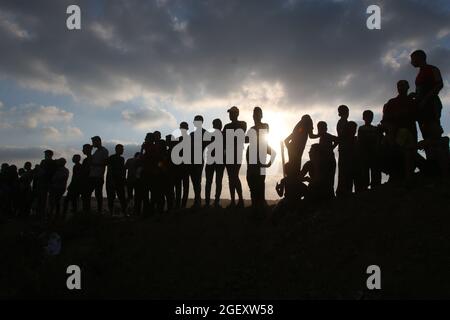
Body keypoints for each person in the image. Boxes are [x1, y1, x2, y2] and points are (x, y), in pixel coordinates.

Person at [382, 80, 418, 181]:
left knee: (409, 154)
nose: (401, 87)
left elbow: (417, 115)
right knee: (397, 153)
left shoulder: (412, 101)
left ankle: (407, 177)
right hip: (396, 133)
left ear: (408, 87)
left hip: (410, 131)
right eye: (399, 85)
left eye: (403, 85)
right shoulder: (392, 102)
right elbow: (385, 120)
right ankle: (397, 176)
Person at [410, 49, 444, 142]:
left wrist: (425, 99)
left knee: (434, 130)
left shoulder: (432, 69)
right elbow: (420, 90)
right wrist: (415, 95)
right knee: (426, 133)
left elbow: (439, 84)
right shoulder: (419, 74)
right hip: (422, 107)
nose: (411, 62)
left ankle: (440, 153)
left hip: (431, 104)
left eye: (413, 59)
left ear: (420, 57)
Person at [246, 107, 275, 209]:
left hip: (259, 161)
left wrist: (269, 163)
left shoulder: (264, 126)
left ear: (261, 115)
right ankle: (256, 206)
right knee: (252, 184)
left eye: (258, 114)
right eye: (254, 114)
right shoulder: (251, 129)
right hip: (252, 161)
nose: (255, 116)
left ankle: (260, 206)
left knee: (259, 185)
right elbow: (246, 140)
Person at [223, 106, 247, 208]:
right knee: (231, 177)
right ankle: (234, 201)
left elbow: (239, 136)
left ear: (236, 114)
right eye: (229, 113)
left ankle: (240, 200)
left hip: (236, 153)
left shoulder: (242, 124)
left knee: (234, 176)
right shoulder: (227, 126)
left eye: (232, 113)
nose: (230, 115)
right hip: (228, 154)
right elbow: (223, 139)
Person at [310, 121, 337, 199]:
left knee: (328, 179)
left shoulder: (325, 135)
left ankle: (329, 196)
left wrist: (331, 148)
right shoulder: (323, 136)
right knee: (327, 179)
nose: (319, 129)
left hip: (329, 160)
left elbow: (337, 139)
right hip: (326, 160)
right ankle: (328, 196)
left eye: (320, 128)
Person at [358, 110, 382, 190]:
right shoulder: (361, 128)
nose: (369, 118)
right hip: (365, 153)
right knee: (365, 171)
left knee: (375, 171)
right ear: (364, 118)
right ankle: (365, 187)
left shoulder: (375, 129)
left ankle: (375, 187)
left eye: (370, 117)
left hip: (374, 152)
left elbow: (379, 139)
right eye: (367, 116)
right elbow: (360, 141)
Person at [205, 118, 225, 208]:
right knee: (215, 182)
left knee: (214, 182)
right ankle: (212, 202)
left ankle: (211, 202)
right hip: (215, 160)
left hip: (216, 160)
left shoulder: (211, 135)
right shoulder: (223, 135)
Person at [189, 115, 209, 209]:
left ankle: (198, 202)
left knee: (197, 181)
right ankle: (197, 201)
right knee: (194, 181)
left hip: (198, 160)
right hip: (192, 160)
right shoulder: (192, 134)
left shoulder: (204, 133)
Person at [88, 136, 109, 214]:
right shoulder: (96, 152)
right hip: (92, 175)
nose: (93, 144)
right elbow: (90, 160)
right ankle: (89, 210)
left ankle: (99, 210)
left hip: (98, 176)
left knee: (98, 194)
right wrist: (89, 152)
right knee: (88, 193)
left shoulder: (104, 151)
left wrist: (95, 164)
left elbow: (105, 162)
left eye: (94, 142)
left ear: (98, 141)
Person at [106, 144, 127, 216]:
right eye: (121, 149)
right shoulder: (111, 158)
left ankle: (124, 212)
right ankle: (111, 212)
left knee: (122, 197)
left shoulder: (122, 159)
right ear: (116, 149)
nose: (122, 150)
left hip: (120, 180)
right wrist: (111, 179)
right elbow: (110, 168)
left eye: (122, 149)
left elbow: (123, 170)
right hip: (112, 179)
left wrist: (124, 178)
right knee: (111, 197)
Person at [174, 122, 190, 209]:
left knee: (181, 187)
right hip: (181, 167)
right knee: (181, 187)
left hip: (184, 167)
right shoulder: (189, 139)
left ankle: (181, 205)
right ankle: (180, 205)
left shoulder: (188, 139)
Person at [37, 150, 56, 219]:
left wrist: (40, 170)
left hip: (47, 182)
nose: (45, 155)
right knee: (43, 199)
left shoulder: (50, 162)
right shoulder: (45, 161)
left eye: (46, 154)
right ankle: (43, 215)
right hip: (44, 182)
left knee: (45, 200)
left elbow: (48, 172)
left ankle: (44, 215)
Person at [81, 144, 93, 213]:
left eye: (84, 148)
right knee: (85, 198)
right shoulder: (86, 159)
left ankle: (86, 213)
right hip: (85, 181)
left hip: (88, 181)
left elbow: (87, 170)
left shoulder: (90, 158)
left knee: (86, 197)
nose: (83, 150)